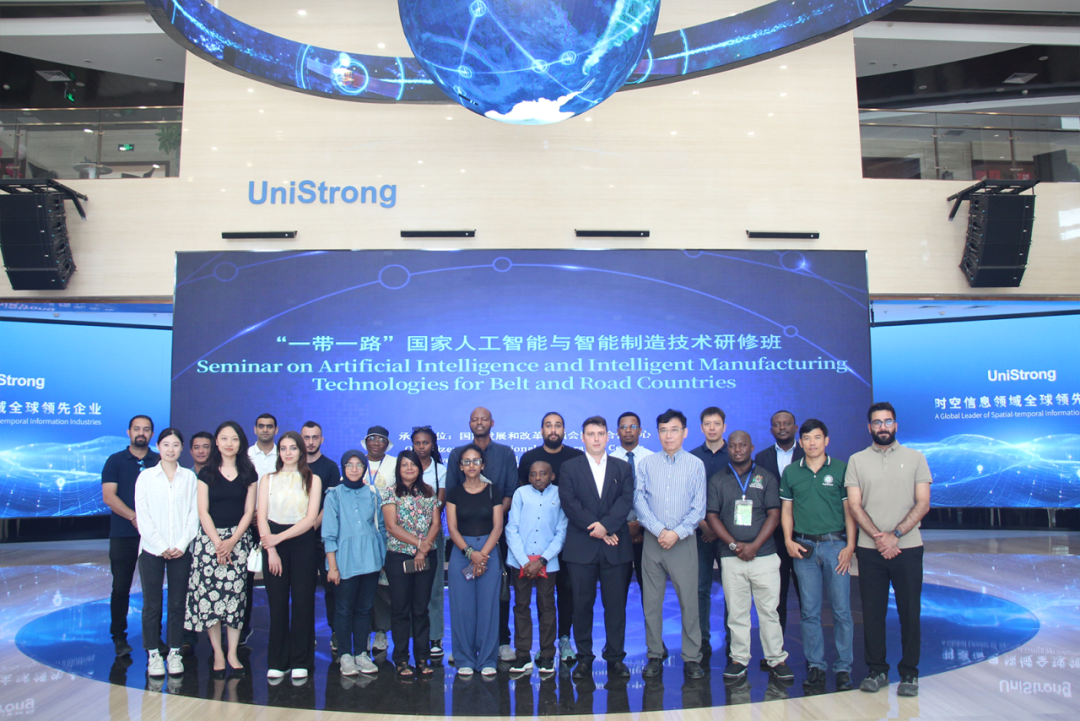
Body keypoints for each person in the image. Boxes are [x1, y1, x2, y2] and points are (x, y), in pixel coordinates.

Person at [845, 402, 931, 698]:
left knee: (910, 612)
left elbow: (923, 502)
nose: (883, 427)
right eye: (877, 422)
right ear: (869, 427)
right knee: (872, 613)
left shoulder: (916, 458)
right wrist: (879, 538)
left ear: (896, 425)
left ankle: (909, 673)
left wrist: (895, 535)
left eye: (888, 421)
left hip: (908, 547)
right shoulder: (857, 460)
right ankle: (877, 670)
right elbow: (854, 505)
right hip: (870, 551)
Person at [705, 431, 793, 683]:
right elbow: (712, 516)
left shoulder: (766, 477)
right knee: (737, 612)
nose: (737, 450)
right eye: (733, 446)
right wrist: (734, 545)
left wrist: (754, 545)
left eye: (742, 445)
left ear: (751, 447)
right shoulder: (718, 479)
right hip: (731, 557)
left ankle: (776, 658)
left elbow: (774, 514)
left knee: (769, 611)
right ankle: (739, 659)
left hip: (764, 555)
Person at [780, 419, 854, 692]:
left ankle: (843, 668)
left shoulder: (841, 469)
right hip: (804, 549)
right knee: (809, 612)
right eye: (807, 438)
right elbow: (787, 510)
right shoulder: (791, 472)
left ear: (826, 440)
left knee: (841, 610)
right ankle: (816, 666)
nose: (812, 443)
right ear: (800, 442)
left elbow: (849, 511)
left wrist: (850, 546)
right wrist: (788, 540)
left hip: (836, 547)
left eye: (817, 437)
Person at [558, 416, 634, 680]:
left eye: (601, 433)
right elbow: (569, 503)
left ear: (608, 436)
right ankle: (584, 659)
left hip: (616, 547)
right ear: (583, 438)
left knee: (616, 606)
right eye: (591, 434)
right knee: (582, 605)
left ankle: (615, 657)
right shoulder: (569, 467)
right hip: (582, 547)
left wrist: (607, 526)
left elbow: (625, 501)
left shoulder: (622, 467)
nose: (596, 438)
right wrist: (598, 528)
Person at [634, 409, 707, 680]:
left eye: (674, 430)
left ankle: (692, 657)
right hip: (653, 542)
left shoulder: (695, 464)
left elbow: (698, 508)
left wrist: (676, 533)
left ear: (685, 432)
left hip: (683, 542)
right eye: (663, 430)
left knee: (689, 602)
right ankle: (654, 654)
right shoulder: (647, 464)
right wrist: (658, 530)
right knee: (651, 603)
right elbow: (639, 501)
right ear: (658, 433)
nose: (668, 435)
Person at [185, 421, 258, 678]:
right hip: (209, 543)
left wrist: (232, 541)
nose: (229, 443)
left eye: (234, 439)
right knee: (210, 600)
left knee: (235, 598)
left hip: (238, 543)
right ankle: (217, 652)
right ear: (217, 442)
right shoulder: (206, 473)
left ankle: (232, 652)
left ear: (241, 443)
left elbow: (249, 511)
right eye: (224, 438)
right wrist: (218, 543)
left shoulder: (249, 473)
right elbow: (202, 511)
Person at [445, 407, 517, 661]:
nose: (479, 422)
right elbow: (453, 493)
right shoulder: (457, 453)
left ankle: (501, 643)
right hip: (464, 537)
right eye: (475, 419)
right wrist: (470, 549)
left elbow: (509, 493)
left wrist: (489, 514)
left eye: (484, 419)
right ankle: (464, 649)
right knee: (463, 602)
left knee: (495, 595)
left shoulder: (506, 453)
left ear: (492, 423)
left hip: (496, 535)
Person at [516, 411, 584, 664]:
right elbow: (524, 498)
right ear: (541, 430)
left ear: (564, 430)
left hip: (569, 538)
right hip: (532, 545)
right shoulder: (529, 458)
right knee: (530, 601)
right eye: (548, 425)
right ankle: (530, 648)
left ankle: (563, 639)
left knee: (566, 591)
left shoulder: (577, 457)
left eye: (558, 425)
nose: (553, 429)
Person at [258, 431, 322, 681]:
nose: (288, 453)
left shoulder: (312, 479)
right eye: (283, 448)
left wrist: (279, 538)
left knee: (303, 603)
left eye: (293, 448)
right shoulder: (268, 479)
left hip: (302, 542)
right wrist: (271, 548)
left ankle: (300, 661)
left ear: (301, 451)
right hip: (273, 545)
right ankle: (278, 661)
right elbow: (261, 517)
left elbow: (310, 519)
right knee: (277, 604)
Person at [135, 427, 199, 677]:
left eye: (175, 445)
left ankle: (174, 653)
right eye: (166, 444)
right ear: (158, 447)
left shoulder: (189, 477)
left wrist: (181, 544)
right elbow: (143, 515)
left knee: (177, 603)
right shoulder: (146, 477)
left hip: (181, 550)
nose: (170, 449)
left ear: (182, 448)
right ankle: (153, 653)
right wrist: (161, 545)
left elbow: (194, 514)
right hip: (152, 550)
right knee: (152, 604)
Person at [323, 449, 387, 676]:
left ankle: (361, 653)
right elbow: (329, 534)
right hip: (344, 561)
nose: (354, 469)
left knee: (364, 609)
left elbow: (380, 528)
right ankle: (345, 655)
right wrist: (332, 567)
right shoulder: (334, 495)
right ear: (343, 468)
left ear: (364, 468)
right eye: (349, 465)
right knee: (343, 609)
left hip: (370, 560)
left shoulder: (372, 493)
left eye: (359, 465)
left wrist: (381, 558)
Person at [102, 414, 160, 657]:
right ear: (128, 432)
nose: (141, 433)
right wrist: (135, 517)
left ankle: (154, 639)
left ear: (151, 434)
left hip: (154, 536)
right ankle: (119, 637)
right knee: (120, 588)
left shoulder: (159, 460)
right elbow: (109, 496)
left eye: (146, 429)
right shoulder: (115, 460)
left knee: (153, 590)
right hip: (123, 534)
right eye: (137, 429)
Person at [381, 449, 441, 678]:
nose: (409, 468)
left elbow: (436, 524)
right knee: (400, 610)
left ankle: (422, 658)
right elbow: (391, 526)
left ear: (420, 468)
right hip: (399, 557)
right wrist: (419, 544)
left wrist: (424, 549)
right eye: (404, 464)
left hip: (427, 556)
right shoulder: (390, 493)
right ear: (398, 469)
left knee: (421, 609)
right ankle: (401, 659)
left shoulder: (429, 491)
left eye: (413, 464)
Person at [446, 443, 505, 677]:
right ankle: (464, 659)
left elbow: (498, 526)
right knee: (462, 609)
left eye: (476, 461)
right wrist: (471, 554)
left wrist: (482, 556)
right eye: (467, 461)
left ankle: (488, 659)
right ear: (461, 466)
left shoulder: (493, 490)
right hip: (462, 554)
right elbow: (452, 528)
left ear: (483, 465)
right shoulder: (454, 492)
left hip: (489, 552)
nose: (471, 465)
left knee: (488, 608)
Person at [505, 460, 567, 676]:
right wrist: (525, 562)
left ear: (552, 476)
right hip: (520, 562)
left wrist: (542, 560)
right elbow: (511, 528)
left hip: (547, 562)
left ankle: (547, 654)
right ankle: (522, 654)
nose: (538, 477)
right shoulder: (520, 494)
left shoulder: (560, 494)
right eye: (533, 474)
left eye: (543, 473)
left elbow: (562, 531)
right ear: (528, 477)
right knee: (521, 606)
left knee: (547, 606)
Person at [754, 410, 804, 643]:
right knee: (775, 597)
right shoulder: (761, 458)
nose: (782, 427)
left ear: (795, 428)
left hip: (804, 535)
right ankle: (775, 650)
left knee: (807, 598)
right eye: (777, 424)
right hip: (772, 538)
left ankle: (812, 652)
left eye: (787, 423)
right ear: (771, 429)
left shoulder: (808, 453)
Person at [689, 406, 730, 665]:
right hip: (700, 533)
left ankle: (733, 638)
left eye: (716, 423)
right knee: (700, 588)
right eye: (707, 423)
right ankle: (702, 638)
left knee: (731, 589)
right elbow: (688, 496)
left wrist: (720, 530)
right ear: (701, 427)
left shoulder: (735, 454)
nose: (712, 428)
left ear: (724, 426)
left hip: (728, 535)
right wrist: (704, 525)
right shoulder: (692, 457)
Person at [302, 421, 341, 650]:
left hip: (324, 538)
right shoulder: (293, 466)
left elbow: (330, 503)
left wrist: (312, 526)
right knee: (303, 588)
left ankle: (336, 631)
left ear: (322, 440)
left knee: (331, 587)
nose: (310, 442)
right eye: (306, 437)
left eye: (314, 437)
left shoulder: (330, 467)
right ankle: (306, 633)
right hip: (298, 539)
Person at [411, 426, 448, 659]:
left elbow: (440, 503)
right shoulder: (406, 467)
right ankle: (414, 636)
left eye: (425, 443)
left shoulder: (440, 470)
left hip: (433, 534)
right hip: (406, 536)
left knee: (434, 588)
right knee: (410, 589)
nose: (421, 447)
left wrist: (427, 533)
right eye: (417, 443)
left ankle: (435, 637)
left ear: (432, 444)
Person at [242, 412, 278, 646]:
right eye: (261, 426)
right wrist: (252, 514)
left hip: (275, 523)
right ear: (255, 429)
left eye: (269, 426)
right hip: (248, 523)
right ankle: (242, 627)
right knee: (245, 578)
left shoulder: (283, 455)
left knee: (277, 576)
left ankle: (280, 628)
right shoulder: (245, 456)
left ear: (276, 430)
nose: (265, 430)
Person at [609, 411, 653, 591]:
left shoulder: (651, 459)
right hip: (618, 532)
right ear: (617, 431)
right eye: (624, 427)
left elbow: (655, 497)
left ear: (640, 430)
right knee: (618, 588)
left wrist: (639, 523)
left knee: (649, 587)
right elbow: (607, 500)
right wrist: (625, 526)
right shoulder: (608, 460)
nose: (628, 430)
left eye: (633, 426)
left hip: (648, 532)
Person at [364, 424, 397, 654]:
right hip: (362, 534)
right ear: (366, 442)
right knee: (365, 584)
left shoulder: (395, 464)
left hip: (388, 532)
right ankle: (364, 631)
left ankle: (382, 632)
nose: (376, 442)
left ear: (387, 444)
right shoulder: (356, 462)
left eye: (381, 439)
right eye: (372, 438)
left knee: (384, 586)